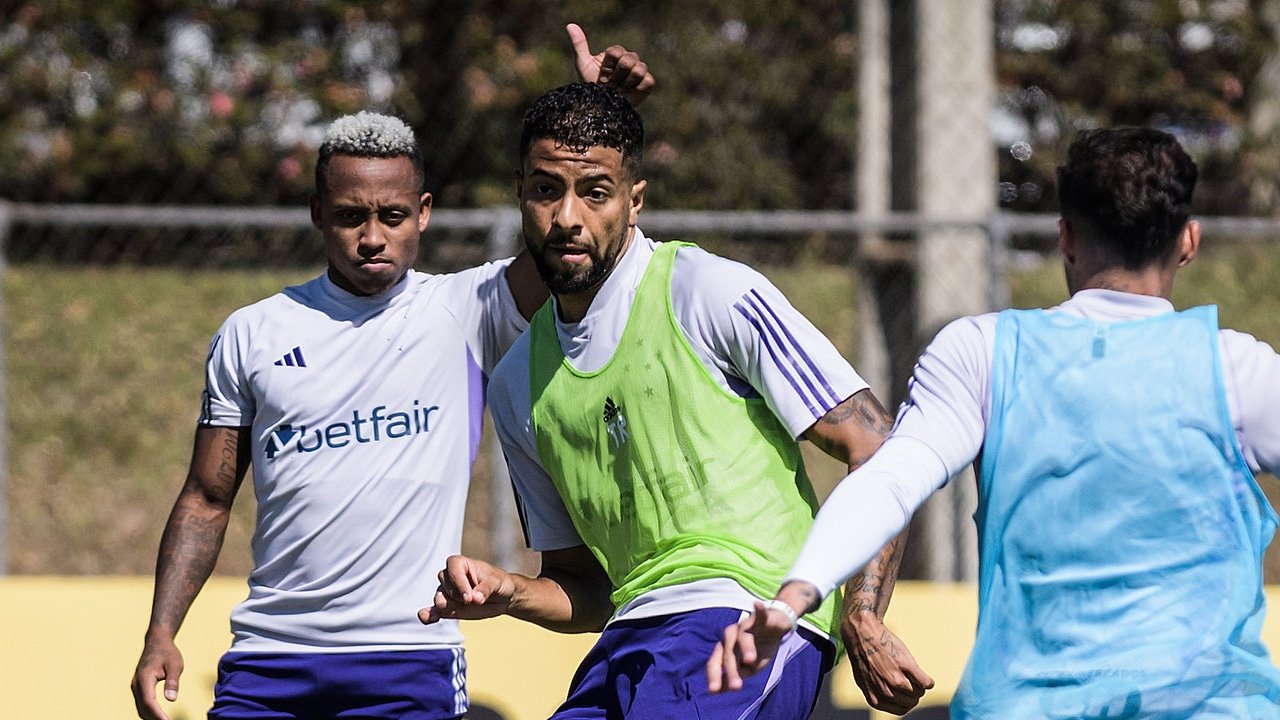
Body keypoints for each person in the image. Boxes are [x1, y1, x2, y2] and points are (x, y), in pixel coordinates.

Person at [129, 26, 653, 720]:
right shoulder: (252, 334)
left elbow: (574, 233)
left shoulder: (467, 311)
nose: (372, 236)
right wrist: (162, 631)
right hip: (268, 661)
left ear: (424, 214)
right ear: (318, 213)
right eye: (350, 216)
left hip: (411, 659)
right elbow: (206, 496)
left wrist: (593, 111)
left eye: (393, 215)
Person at [708, 127, 1280, 718]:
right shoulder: (1236, 370)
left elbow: (889, 482)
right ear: (1189, 241)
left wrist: (794, 596)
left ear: (1066, 238)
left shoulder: (982, 354)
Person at [420, 81, 934, 718]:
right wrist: (512, 592)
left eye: (595, 192)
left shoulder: (706, 292)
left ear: (635, 201)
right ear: (521, 194)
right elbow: (589, 587)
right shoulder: (517, 382)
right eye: (546, 190)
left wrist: (862, 613)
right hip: (631, 637)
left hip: (748, 619)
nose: (568, 216)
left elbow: (879, 443)